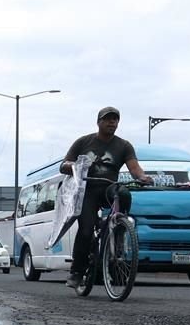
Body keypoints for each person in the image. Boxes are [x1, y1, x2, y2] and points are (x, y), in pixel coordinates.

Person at [60, 107, 153, 288]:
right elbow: (64, 165)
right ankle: (77, 271)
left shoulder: (124, 145)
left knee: (124, 192)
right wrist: (77, 165)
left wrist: (143, 177)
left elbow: (135, 169)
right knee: (86, 230)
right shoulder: (83, 142)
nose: (112, 123)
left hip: (108, 188)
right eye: (108, 119)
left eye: (115, 120)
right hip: (86, 190)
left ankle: (118, 227)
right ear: (99, 122)